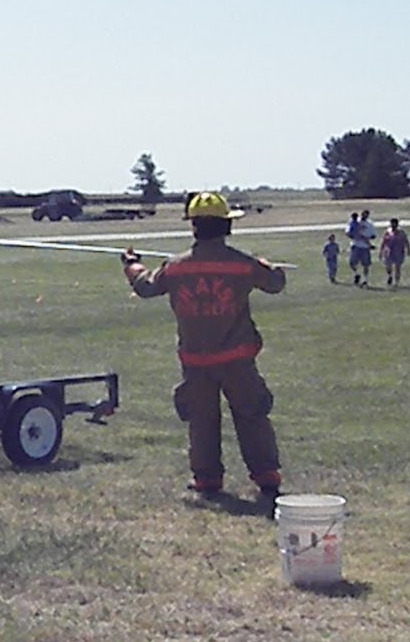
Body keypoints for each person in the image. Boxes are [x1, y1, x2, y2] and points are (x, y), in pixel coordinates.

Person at [123, 191, 287, 501]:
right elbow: (275, 284)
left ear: (194, 226)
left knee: (201, 423)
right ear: (226, 226)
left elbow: (145, 286)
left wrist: (132, 265)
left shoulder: (175, 267)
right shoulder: (242, 264)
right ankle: (266, 476)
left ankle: (207, 479)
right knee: (251, 415)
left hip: (196, 362)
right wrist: (269, 266)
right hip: (238, 360)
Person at [381, 218, 410, 287]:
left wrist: (408, 250)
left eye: (394, 224)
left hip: (398, 251)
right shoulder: (388, 232)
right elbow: (384, 241)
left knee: (398, 267)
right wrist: (381, 251)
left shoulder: (401, 232)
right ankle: (390, 276)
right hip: (388, 251)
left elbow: (406, 241)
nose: (393, 225)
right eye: (392, 223)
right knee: (388, 266)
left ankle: (397, 282)